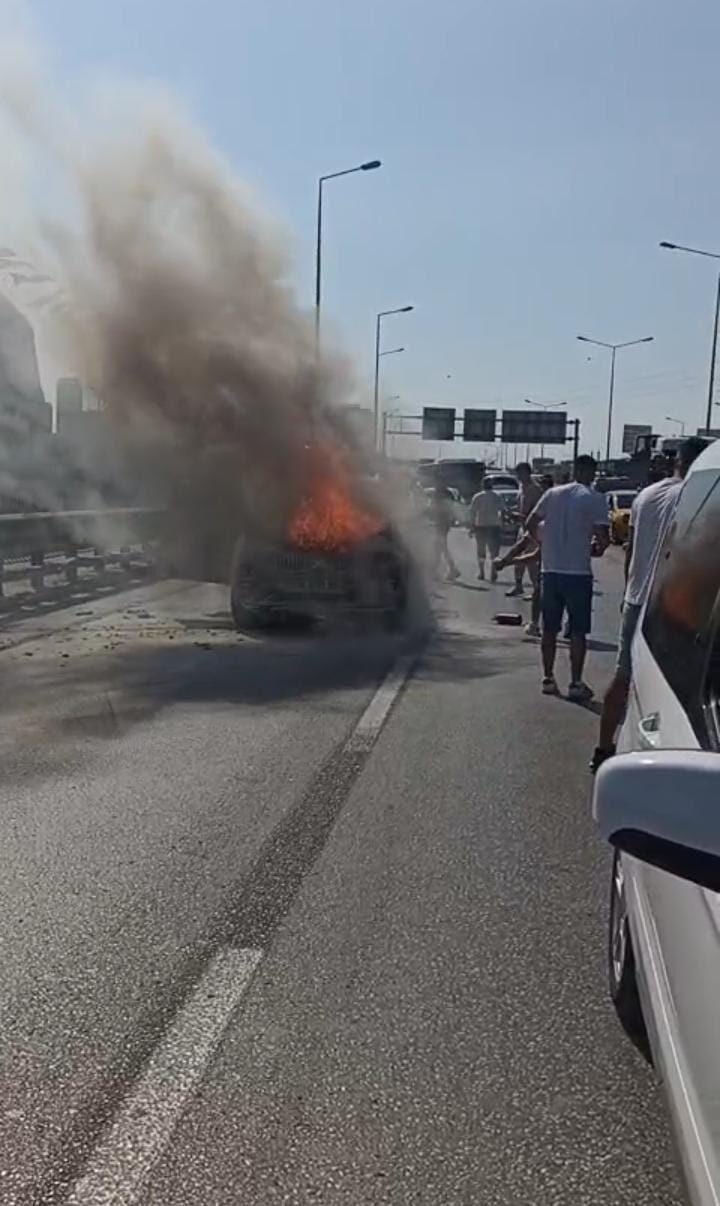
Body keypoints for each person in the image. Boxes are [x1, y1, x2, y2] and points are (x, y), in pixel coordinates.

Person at [590, 436, 708, 772]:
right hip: (672, 606)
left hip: (636, 599)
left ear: (676, 462)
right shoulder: (696, 495)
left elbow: (630, 552)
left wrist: (629, 592)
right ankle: (654, 764)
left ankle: (602, 749)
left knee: (623, 676)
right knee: (667, 690)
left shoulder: (646, 495)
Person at [525, 455, 609, 699]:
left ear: (574, 470)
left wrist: (542, 541)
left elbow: (531, 522)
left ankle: (548, 678)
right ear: (589, 472)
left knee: (549, 629)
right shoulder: (594, 498)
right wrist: (597, 549)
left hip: (550, 572)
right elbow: (603, 539)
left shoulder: (552, 494)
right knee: (578, 632)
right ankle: (575, 683)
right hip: (578, 574)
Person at [493, 474, 554, 634]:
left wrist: (505, 561)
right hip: (576, 574)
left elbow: (529, 550)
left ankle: (535, 625)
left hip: (553, 571)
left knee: (539, 593)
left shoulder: (544, 521)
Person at [505, 463, 543, 598]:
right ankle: (518, 585)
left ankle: (536, 589)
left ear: (528, 473)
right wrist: (512, 512)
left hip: (533, 528)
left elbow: (537, 512)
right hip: (522, 527)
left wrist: (521, 516)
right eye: (518, 474)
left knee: (531, 561)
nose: (519, 477)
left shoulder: (535, 489)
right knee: (517, 556)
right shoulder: (522, 488)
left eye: (521, 473)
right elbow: (521, 506)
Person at [468, 477, 505, 581]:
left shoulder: (477, 496)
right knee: (494, 551)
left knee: (481, 550)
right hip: (494, 525)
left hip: (481, 525)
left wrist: (472, 527)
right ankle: (493, 572)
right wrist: (502, 523)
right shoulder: (497, 496)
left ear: (482, 485)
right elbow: (502, 511)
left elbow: (473, 512)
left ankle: (482, 572)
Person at [428, 485, 460, 581]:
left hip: (440, 523)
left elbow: (432, 508)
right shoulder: (448, 494)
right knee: (440, 547)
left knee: (439, 547)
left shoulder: (438, 495)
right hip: (445, 523)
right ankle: (441, 570)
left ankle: (450, 569)